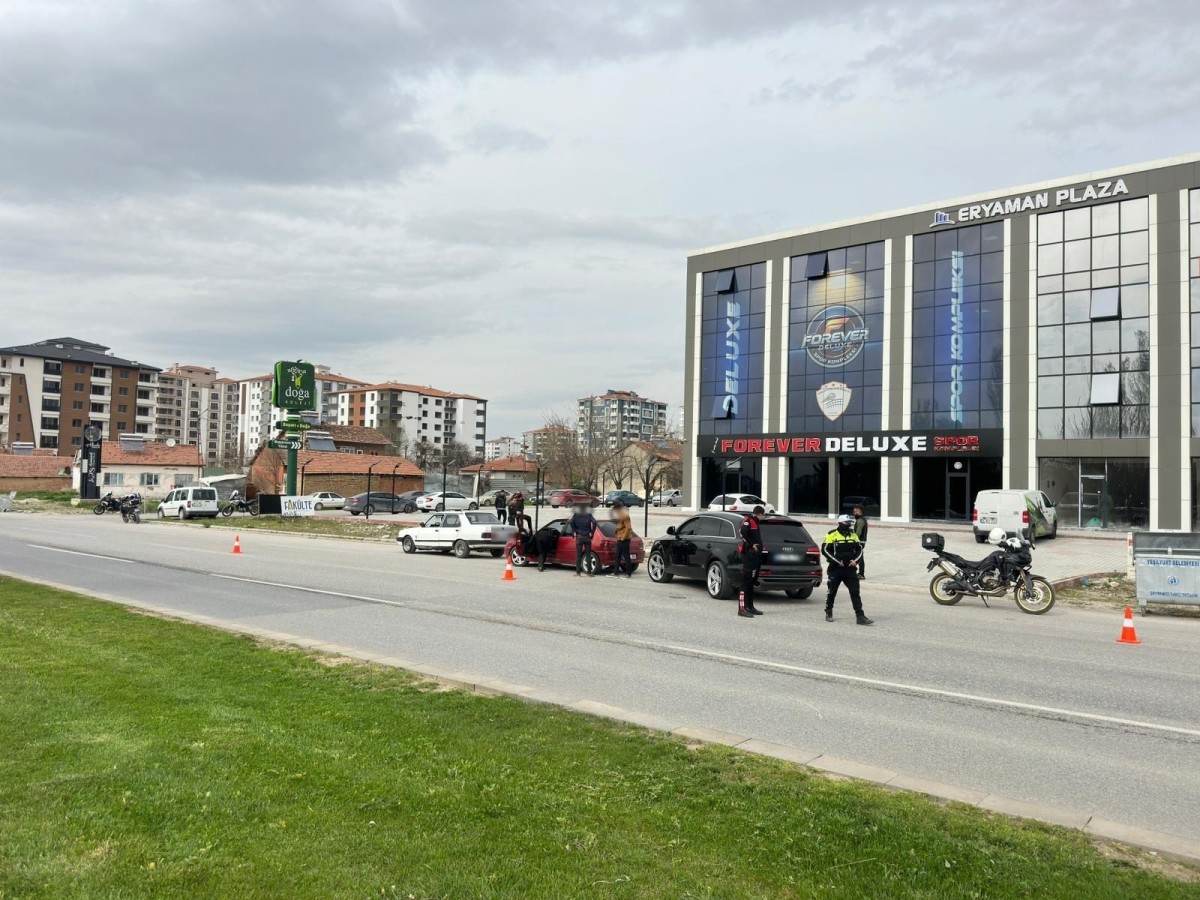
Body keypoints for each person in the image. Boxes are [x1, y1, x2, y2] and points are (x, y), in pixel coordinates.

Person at [823, 514, 873, 625]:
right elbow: (825, 550)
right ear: (840, 523)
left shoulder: (853, 535)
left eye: (849, 523)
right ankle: (829, 612)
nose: (849, 524)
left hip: (850, 569)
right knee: (832, 592)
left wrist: (856, 561)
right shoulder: (832, 534)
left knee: (855, 592)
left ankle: (860, 616)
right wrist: (836, 561)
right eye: (846, 523)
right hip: (835, 569)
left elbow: (860, 550)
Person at [737, 505, 766, 617]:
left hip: (756, 557)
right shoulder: (748, 521)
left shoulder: (756, 522)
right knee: (745, 583)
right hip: (749, 555)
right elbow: (742, 532)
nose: (763, 517)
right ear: (759, 513)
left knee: (751, 583)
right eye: (763, 515)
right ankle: (741, 609)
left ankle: (750, 607)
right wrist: (751, 545)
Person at [569, 503, 597, 577]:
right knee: (588, 555)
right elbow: (594, 522)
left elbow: (571, 522)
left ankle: (578, 572)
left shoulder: (576, 515)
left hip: (579, 537)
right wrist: (592, 532)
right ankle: (589, 572)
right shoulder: (588, 514)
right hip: (587, 537)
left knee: (578, 555)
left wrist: (574, 530)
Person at [608, 502, 634, 578]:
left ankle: (628, 573)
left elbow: (628, 527)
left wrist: (623, 538)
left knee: (626, 556)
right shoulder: (620, 515)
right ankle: (615, 572)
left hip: (624, 539)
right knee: (617, 556)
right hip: (619, 538)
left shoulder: (625, 515)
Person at [852, 505, 869, 580]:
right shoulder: (861, 519)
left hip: (859, 542)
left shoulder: (861, 520)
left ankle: (861, 574)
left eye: (856, 511)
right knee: (859, 557)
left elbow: (858, 532)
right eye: (854, 511)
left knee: (859, 557)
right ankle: (860, 573)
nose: (854, 513)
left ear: (860, 511)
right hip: (860, 541)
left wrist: (852, 540)